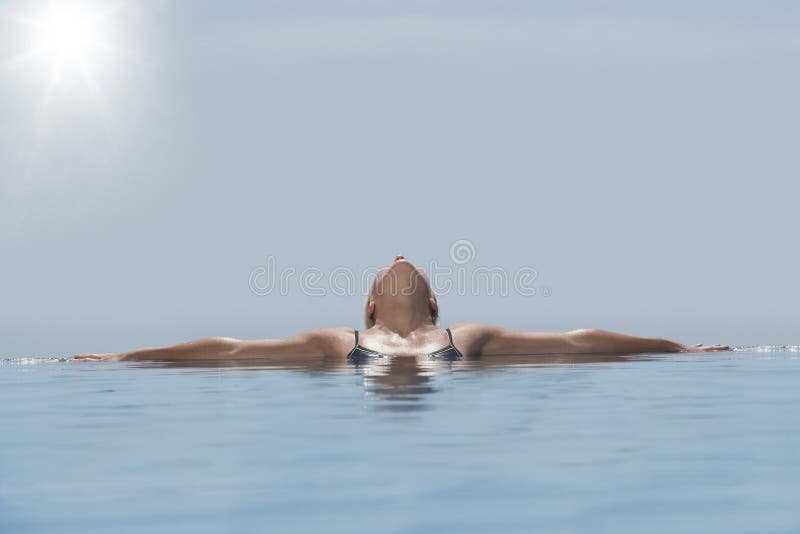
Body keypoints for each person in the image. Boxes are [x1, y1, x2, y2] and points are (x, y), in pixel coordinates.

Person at [73, 256, 728, 362]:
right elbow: (230, 353)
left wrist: (677, 350)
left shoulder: (466, 336)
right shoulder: (338, 343)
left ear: (433, 300)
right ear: (369, 304)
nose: (399, 255)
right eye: (388, 265)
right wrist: (126, 358)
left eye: (409, 264)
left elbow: (579, 344)